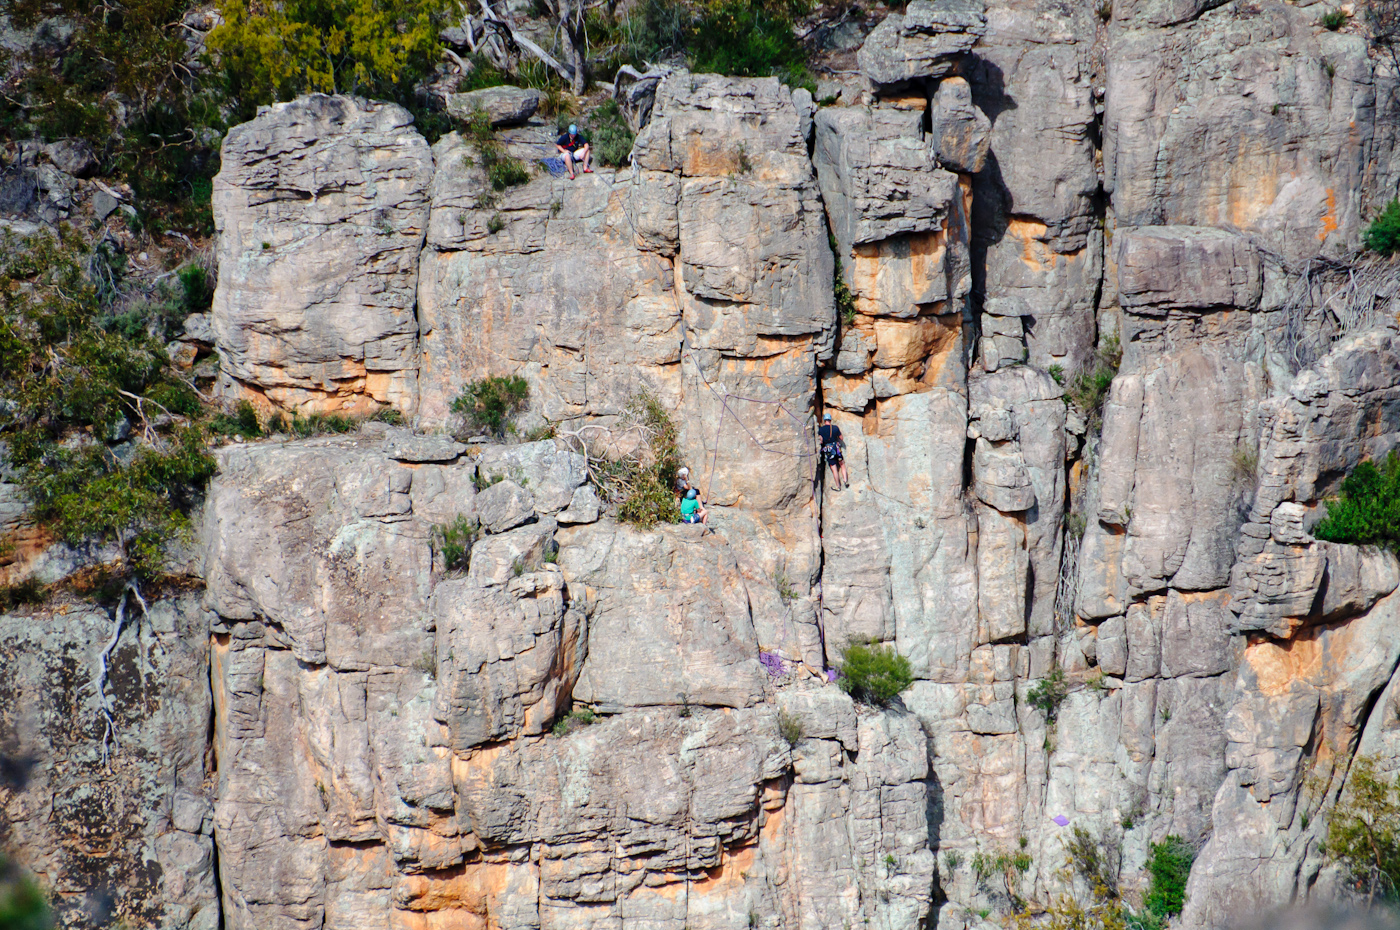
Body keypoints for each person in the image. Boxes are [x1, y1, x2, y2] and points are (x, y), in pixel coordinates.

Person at [819, 412, 849, 492]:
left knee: (834, 468)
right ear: (830, 420)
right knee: (842, 464)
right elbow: (841, 438)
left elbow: (821, 441)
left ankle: (838, 486)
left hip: (829, 449)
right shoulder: (835, 428)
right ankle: (845, 480)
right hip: (836, 447)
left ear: (824, 420)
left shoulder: (821, 429)